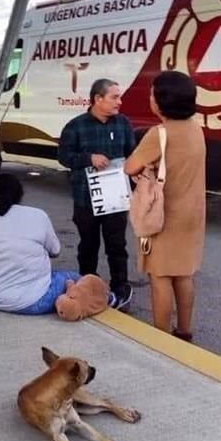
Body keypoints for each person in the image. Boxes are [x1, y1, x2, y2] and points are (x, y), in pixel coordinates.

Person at [124, 71, 206, 341]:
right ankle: (184, 331)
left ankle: (161, 339)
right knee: (183, 274)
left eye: (152, 94)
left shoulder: (159, 134)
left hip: (163, 217)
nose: (150, 98)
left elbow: (130, 166)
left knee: (160, 277)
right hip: (192, 214)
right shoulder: (196, 128)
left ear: (162, 101)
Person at [57, 78, 136, 310]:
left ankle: (121, 289)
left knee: (117, 245)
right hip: (86, 198)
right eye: (114, 97)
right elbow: (63, 156)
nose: (119, 102)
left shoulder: (123, 124)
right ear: (97, 99)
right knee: (88, 246)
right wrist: (88, 158)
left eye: (119, 97)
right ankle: (87, 287)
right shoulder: (76, 126)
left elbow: (132, 154)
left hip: (116, 198)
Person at [0, 174, 81, 314]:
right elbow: (55, 250)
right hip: (34, 300)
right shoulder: (38, 215)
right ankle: (110, 299)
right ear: (19, 194)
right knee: (76, 278)